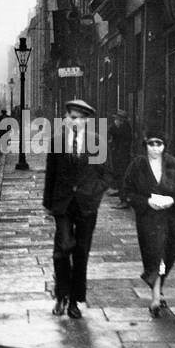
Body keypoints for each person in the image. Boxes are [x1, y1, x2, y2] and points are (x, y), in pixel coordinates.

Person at [42, 99, 109, 318]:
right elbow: (50, 174)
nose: (75, 121)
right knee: (62, 250)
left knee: (81, 252)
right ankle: (61, 295)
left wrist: (94, 193)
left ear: (88, 121)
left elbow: (107, 175)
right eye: (71, 117)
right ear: (65, 119)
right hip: (62, 204)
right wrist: (48, 204)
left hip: (86, 206)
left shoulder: (97, 142)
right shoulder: (56, 142)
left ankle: (74, 301)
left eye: (80, 118)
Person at [122, 132, 175, 317]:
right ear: (145, 146)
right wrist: (145, 203)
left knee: (168, 254)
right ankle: (155, 299)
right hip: (148, 220)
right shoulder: (137, 166)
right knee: (154, 255)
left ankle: (158, 288)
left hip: (171, 219)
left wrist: (172, 201)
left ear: (164, 146)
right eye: (151, 144)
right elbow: (127, 192)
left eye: (158, 144)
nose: (154, 148)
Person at [108, 112, 134, 204]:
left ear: (121, 120)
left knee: (122, 176)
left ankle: (124, 200)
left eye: (117, 119)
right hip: (119, 155)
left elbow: (112, 131)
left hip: (122, 157)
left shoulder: (125, 128)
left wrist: (115, 126)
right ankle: (121, 194)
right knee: (119, 176)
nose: (115, 120)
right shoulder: (123, 126)